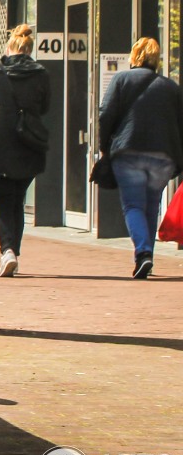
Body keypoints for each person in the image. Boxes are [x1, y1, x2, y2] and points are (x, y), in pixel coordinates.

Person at [98, 37, 183, 279]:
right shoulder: (170, 87)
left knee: (133, 205)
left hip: (129, 152)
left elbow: (106, 114)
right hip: (162, 156)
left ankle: (143, 253)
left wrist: (106, 147)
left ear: (134, 56)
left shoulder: (121, 80)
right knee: (151, 205)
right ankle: (147, 258)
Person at [0, 25, 50, 277]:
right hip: (28, 144)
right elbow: (45, 107)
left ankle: (8, 251)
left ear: (8, 46)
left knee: (1, 203)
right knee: (17, 202)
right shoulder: (41, 74)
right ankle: (13, 251)